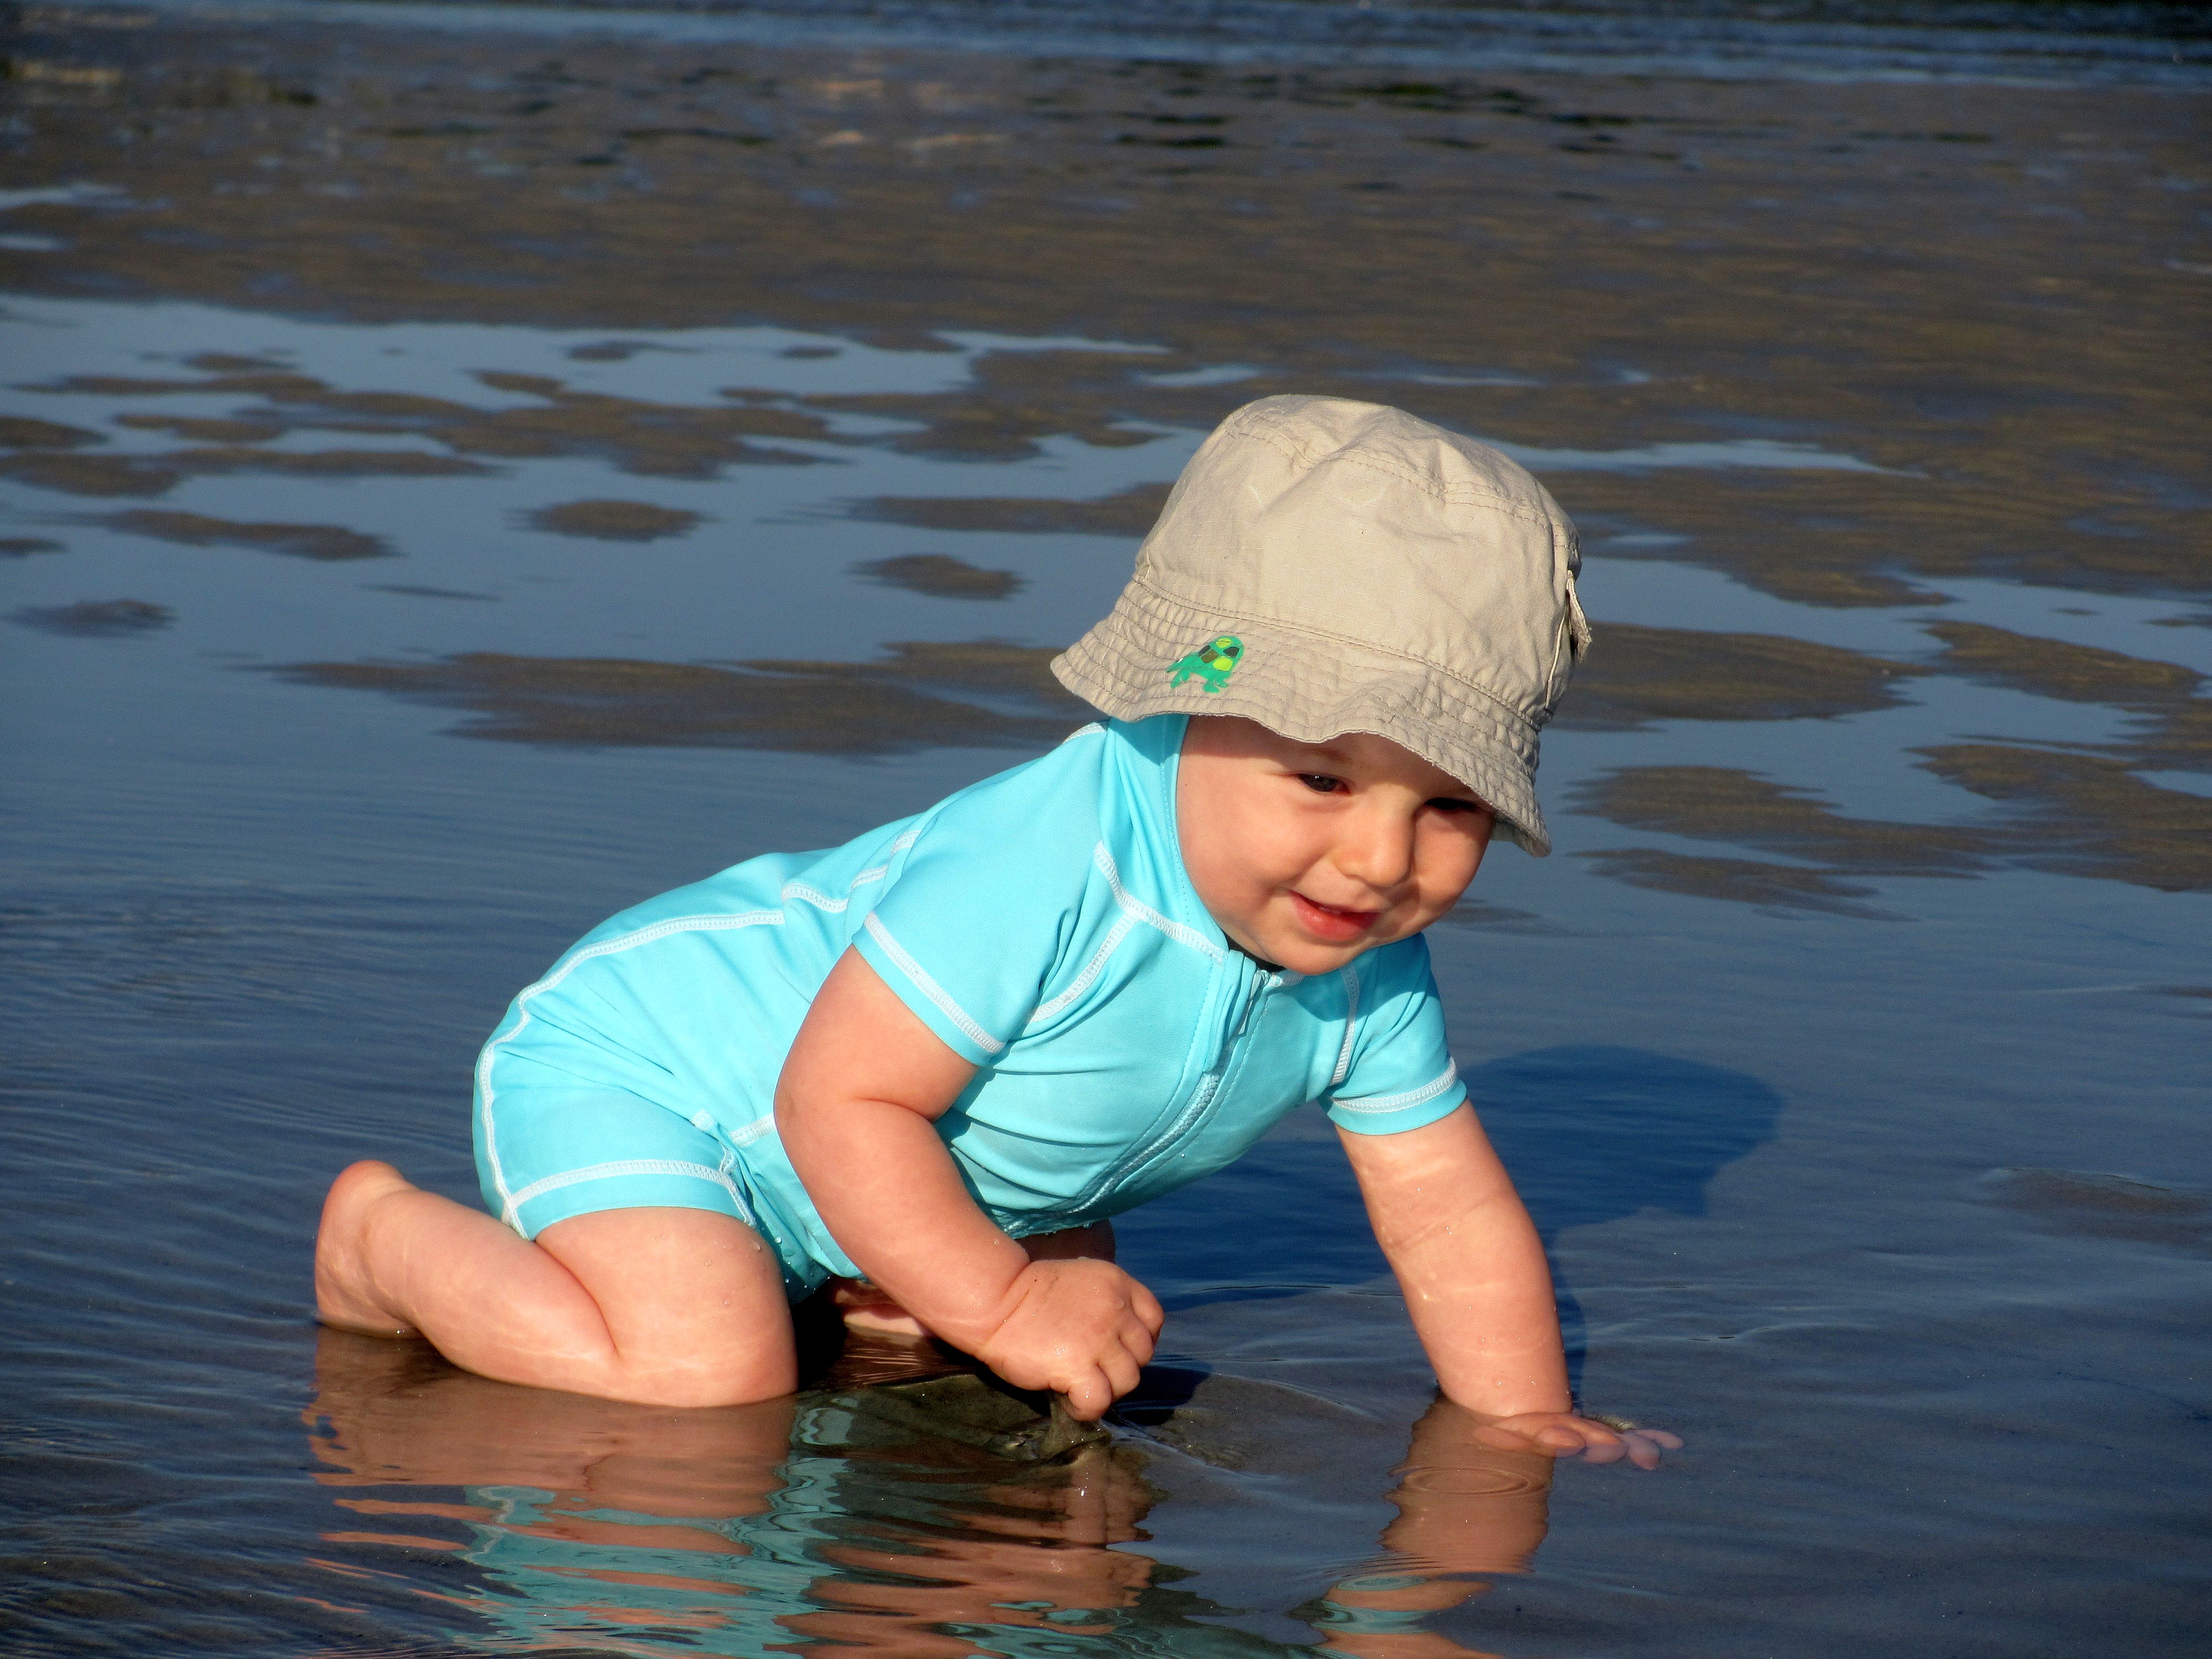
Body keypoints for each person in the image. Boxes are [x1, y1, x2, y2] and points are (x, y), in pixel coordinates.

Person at [315, 394, 1674, 1469]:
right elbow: (838, 1101)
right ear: (1190, 706)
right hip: (655, 1080)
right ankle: (383, 1245)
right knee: (709, 1377)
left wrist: (1518, 1421)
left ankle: (862, 1269)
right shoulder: (1044, 862)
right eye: (1322, 779)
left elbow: (1444, 1211)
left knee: (1054, 1303)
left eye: (1450, 805)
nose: (1378, 861)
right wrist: (1005, 1303)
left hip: (869, 1149)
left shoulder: (1369, 969)